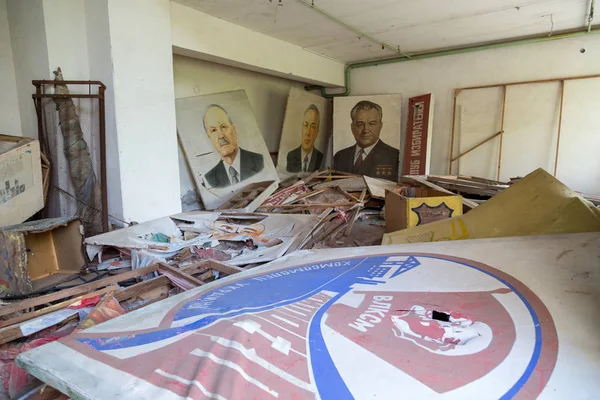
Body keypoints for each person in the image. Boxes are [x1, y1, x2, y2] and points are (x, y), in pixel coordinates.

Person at [202, 104, 264, 188]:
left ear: (234, 130)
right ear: (210, 138)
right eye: (213, 130)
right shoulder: (210, 179)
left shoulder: (261, 162)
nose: (221, 136)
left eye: (223, 127)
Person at [333, 100, 399, 179]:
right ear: (352, 127)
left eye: (372, 124)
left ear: (380, 126)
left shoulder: (394, 156)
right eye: (360, 124)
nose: (366, 130)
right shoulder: (340, 156)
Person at [286, 104, 324, 173]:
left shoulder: (321, 158)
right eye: (306, 125)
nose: (308, 133)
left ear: (317, 132)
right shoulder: (291, 156)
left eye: (312, 127)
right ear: (302, 127)